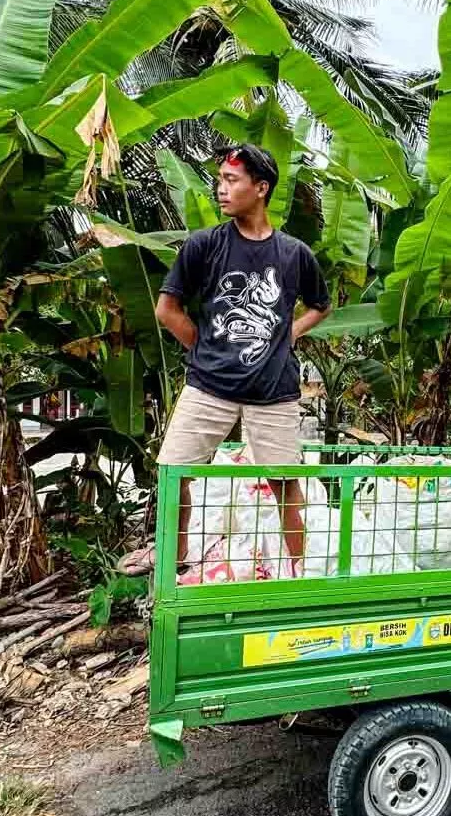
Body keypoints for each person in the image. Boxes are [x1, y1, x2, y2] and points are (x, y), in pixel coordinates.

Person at [118, 144, 332, 576]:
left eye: (231, 180)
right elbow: (166, 310)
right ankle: (173, 558)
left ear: (261, 188)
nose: (221, 188)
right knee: (174, 474)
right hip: (208, 386)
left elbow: (320, 306)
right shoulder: (204, 245)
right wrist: (204, 349)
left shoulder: (294, 254)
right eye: (220, 179)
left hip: (274, 391)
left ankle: (299, 570)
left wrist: (289, 333)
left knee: (286, 483)